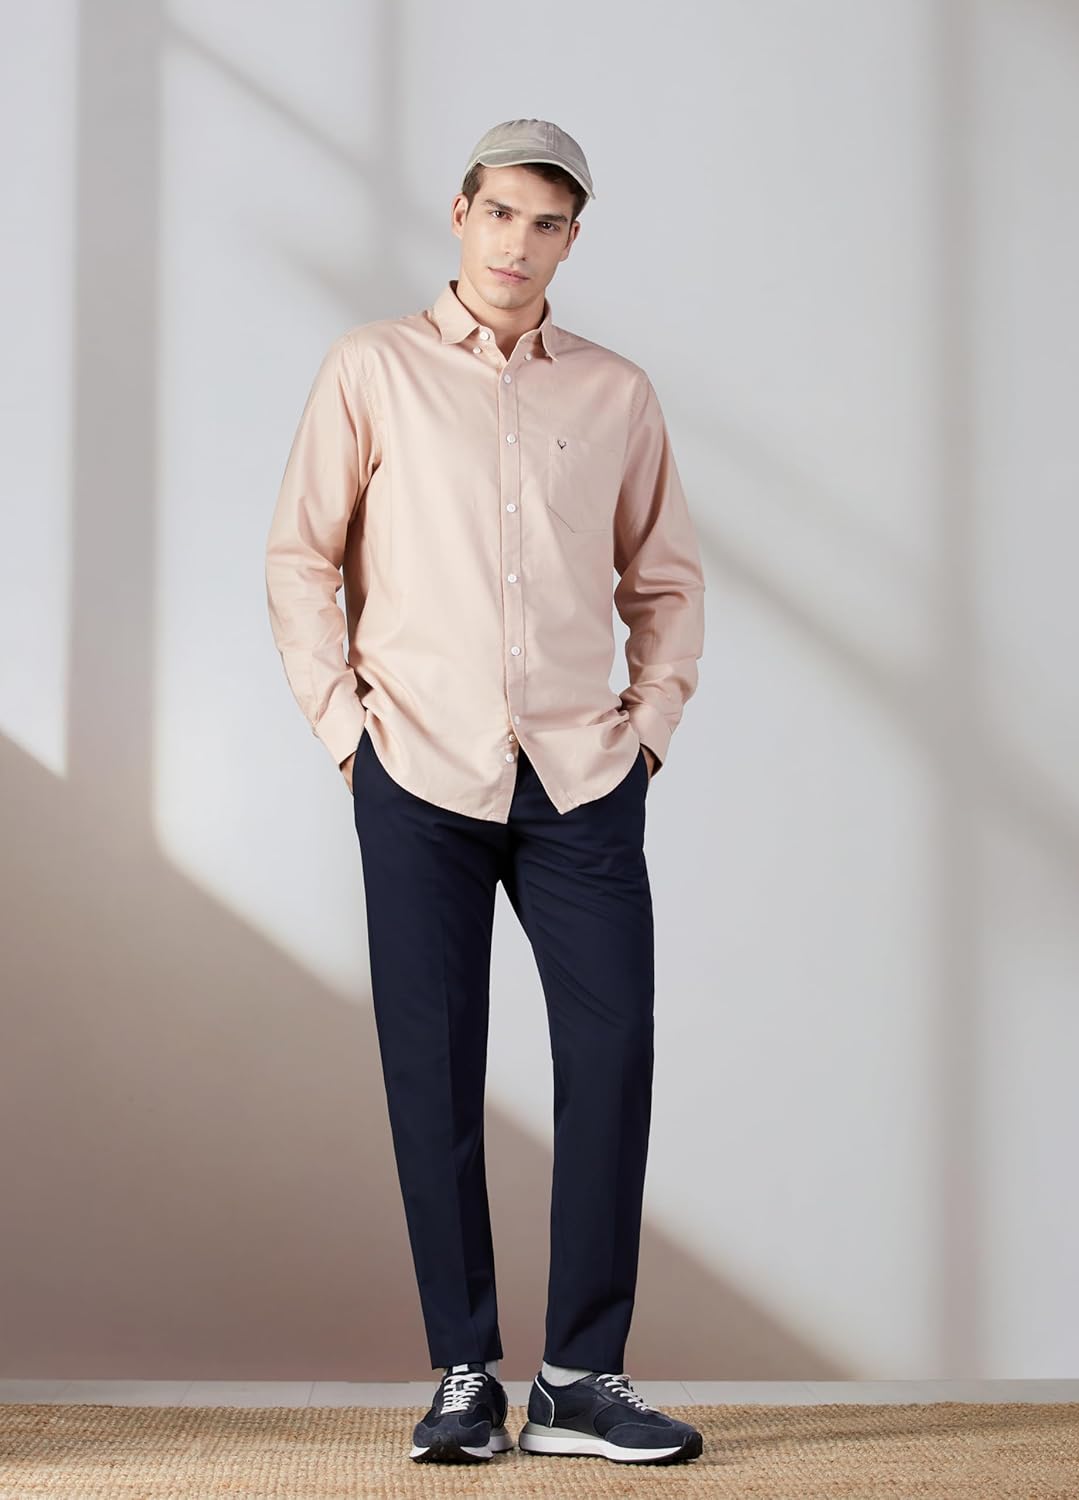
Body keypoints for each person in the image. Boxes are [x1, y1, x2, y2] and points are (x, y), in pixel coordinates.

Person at [265, 118, 706, 1466]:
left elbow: (665, 580)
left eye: (548, 223)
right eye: (502, 212)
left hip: (579, 778)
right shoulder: (372, 368)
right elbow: (301, 558)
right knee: (434, 1070)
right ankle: (465, 1372)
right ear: (460, 214)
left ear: (573, 240)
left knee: (612, 1057)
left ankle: (578, 1378)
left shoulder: (616, 392)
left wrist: (645, 736)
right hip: (416, 770)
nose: (519, 243)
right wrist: (347, 734)